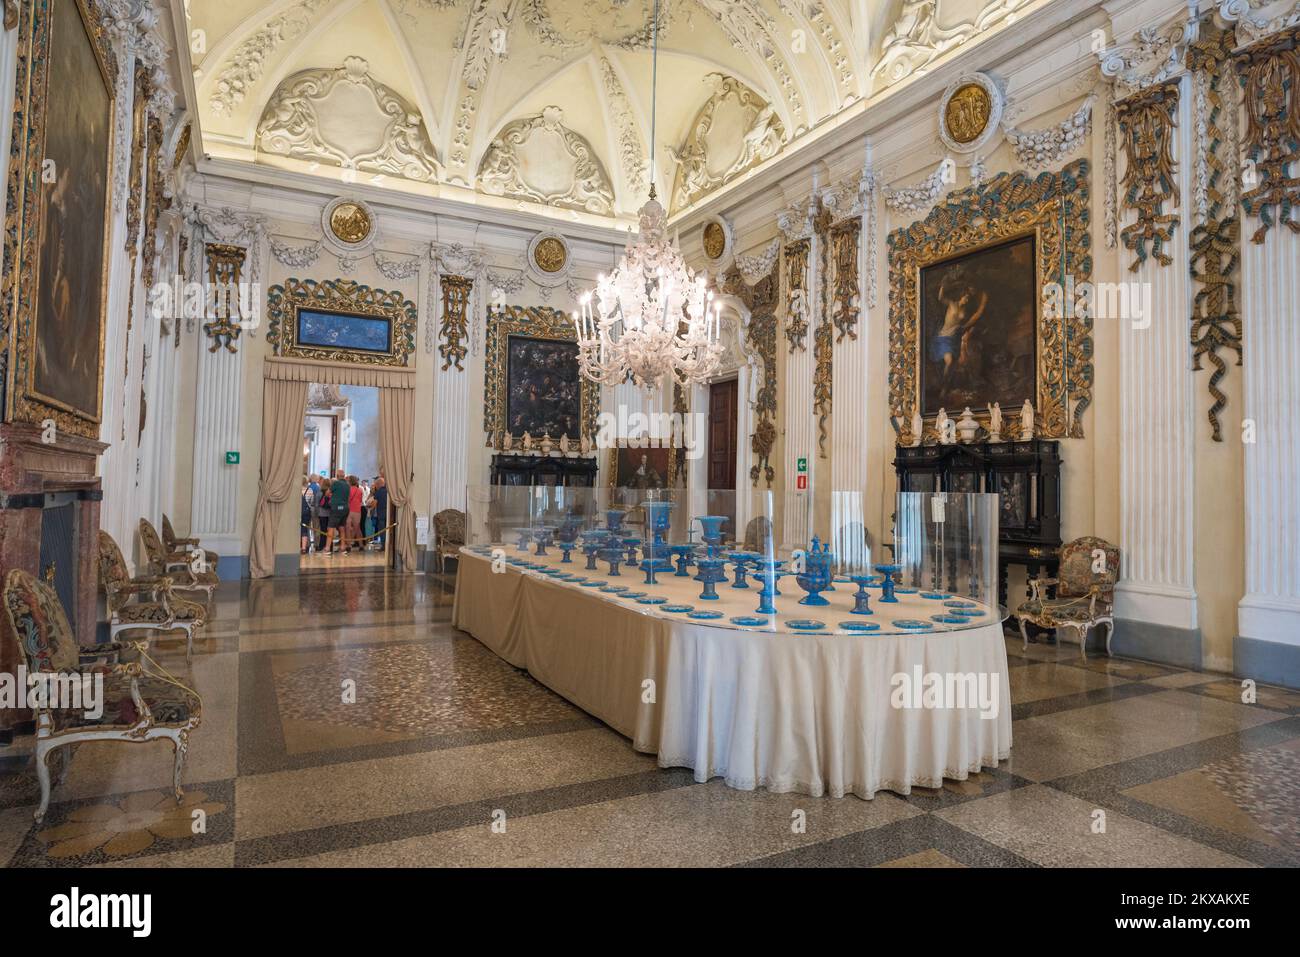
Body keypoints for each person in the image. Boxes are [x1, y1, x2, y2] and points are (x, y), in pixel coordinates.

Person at [329, 468, 350, 554]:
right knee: (342, 528)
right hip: (345, 508)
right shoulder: (347, 485)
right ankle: (342, 547)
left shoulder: (336, 483)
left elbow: (328, 492)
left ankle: (327, 548)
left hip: (336, 507)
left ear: (337, 476)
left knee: (330, 527)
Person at [345, 474, 363, 552]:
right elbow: (360, 500)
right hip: (357, 511)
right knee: (357, 528)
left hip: (349, 510)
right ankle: (361, 545)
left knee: (348, 528)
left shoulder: (347, 489)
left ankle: (349, 545)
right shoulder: (360, 490)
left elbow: (347, 500)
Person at [371, 476, 388, 550]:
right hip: (389, 515)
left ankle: (383, 546)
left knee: (382, 531)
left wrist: (370, 507)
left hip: (381, 515)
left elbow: (374, 504)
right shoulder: (388, 491)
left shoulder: (378, 492)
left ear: (378, 484)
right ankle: (388, 547)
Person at [316, 472, 331, 552]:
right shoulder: (331, 492)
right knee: (330, 531)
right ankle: (329, 546)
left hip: (322, 514)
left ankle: (321, 546)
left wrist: (317, 513)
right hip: (330, 514)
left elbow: (316, 504)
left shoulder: (320, 492)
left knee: (323, 530)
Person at [300, 476, 314, 554]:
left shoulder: (296, 489)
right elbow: (312, 502)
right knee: (304, 529)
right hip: (306, 512)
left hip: (297, 512)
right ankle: (304, 548)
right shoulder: (310, 490)